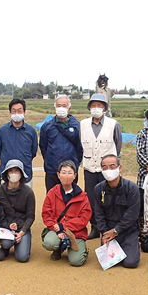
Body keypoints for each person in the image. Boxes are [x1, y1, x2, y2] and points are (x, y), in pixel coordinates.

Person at [79, 93, 122, 240]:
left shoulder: (113, 124)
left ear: (104, 108)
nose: (96, 108)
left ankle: (110, 226)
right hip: (90, 168)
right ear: (89, 107)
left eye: (99, 106)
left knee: (109, 196)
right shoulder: (83, 124)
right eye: (93, 105)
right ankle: (95, 227)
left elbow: (118, 146)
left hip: (107, 169)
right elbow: (80, 145)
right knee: (91, 198)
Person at [92, 154, 141, 269]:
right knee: (110, 262)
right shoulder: (98, 189)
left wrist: (116, 231)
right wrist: (105, 233)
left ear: (120, 168)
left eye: (112, 166)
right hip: (108, 231)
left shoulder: (132, 188)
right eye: (104, 167)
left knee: (130, 263)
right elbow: (98, 214)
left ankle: (132, 245)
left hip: (128, 230)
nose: (108, 170)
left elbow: (132, 214)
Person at [41, 160, 91, 266]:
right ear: (58, 175)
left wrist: (63, 227)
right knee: (49, 243)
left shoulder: (82, 196)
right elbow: (46, 214)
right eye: (63, 172)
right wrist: (57, 229)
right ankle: (58, 248)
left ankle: (80, 250)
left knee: (76, 261)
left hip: (76, 233)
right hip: (56, 230)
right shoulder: (52, 193)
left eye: (70, 172)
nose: (66, 175)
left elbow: (84, 219)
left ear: (75, 175)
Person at [0, 159, 36, 263]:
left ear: (21, 174)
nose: (13, 174)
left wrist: (22, 232)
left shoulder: (28, 192)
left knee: (22, 258)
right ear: (6, 174)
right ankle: (6, 246)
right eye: (10, 171)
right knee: (6, 243)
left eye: (16, 171)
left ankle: (21, 242)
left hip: (22, 226)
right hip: (6, 225)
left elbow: (30, 216)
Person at [39, 94, 83, 192]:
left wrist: (75, 164)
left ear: (69, 108)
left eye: (64, 106)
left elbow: (80, 148)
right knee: (52, 199)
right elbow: (43, 147)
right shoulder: (47, 127)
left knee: (70, 199)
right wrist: (50, 161)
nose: (61, 108)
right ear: (54, 108)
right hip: (52, 171)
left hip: (70, 171)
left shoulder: (78, 126)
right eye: (59, 106)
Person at [0, 98, 38, 188]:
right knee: (6, 201)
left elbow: (33, 152)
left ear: (24, 112)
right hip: (6, 174)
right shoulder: (2, 131)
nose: (16, 113)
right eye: (13, 111)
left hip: (26, 174)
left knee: (25, 200)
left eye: (19, 110)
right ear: (10, 113)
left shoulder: (31, 131)